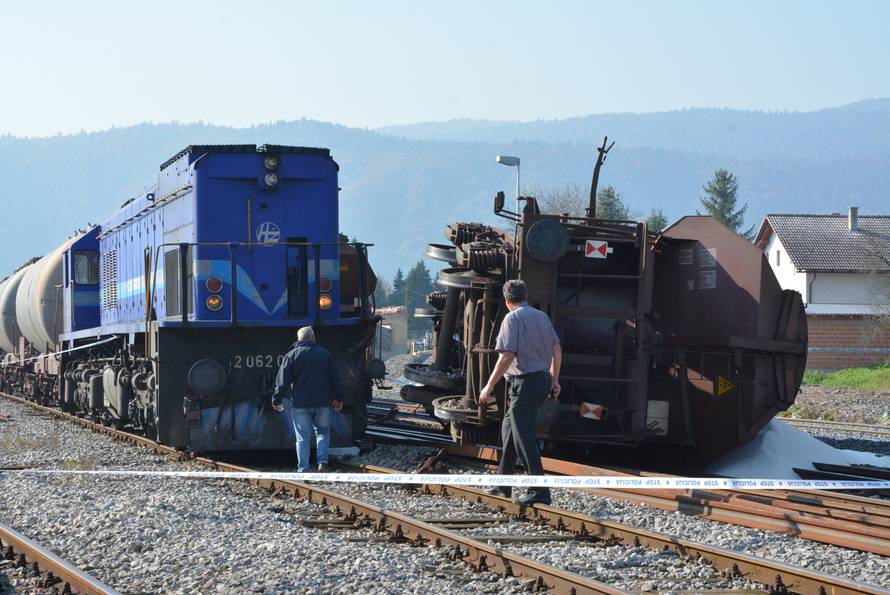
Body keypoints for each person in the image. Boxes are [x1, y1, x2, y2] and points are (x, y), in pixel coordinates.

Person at [479, 279, 561, 505]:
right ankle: (503, 484)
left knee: (524, 436)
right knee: (510, 430)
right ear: (526, 297)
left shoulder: (511, 318)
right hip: (541, 379)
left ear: (507, 301)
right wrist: (554, 380)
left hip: (525, 383)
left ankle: (540, 491)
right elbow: (556, 349)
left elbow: (507, 356)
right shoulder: (541, 317)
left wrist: (488, 385)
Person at [272, 326, 342, 473]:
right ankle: (322, 462)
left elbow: (282, 380)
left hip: (300, 404)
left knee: (302, 438)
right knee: (323, 432)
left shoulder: (291, 355)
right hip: (322, 402)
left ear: (299, 339)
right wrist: (338, 397)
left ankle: (303, 468)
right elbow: (335, 379)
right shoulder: (325, 354)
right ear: (313, 338)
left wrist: (277, 399)